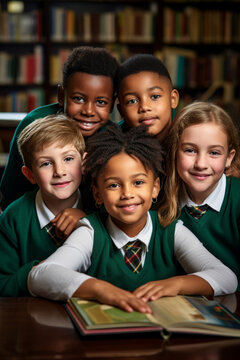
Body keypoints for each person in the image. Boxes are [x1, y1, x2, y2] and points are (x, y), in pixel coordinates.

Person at [28, 124, 237, 313]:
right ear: (98, 194)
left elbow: (227, 277)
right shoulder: (90, 231)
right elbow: (41, 275)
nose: (127, 193)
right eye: (113, 185)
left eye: (138, 182)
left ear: (155, 188)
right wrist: (100, 289)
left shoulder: (171, 230)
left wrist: (176, 284)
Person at [0, 46, 119, 210]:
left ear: (112, 105)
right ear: (62, 95)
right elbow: (12, 192)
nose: (89, 111)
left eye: (101, 102)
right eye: (78, 98)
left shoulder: (112, 136)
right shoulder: (34, 125)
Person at [0, 114, 86, 296]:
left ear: (84, 164)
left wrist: (89, 221)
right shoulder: (13, 218)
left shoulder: (101, 207)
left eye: (68, 159)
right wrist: (40, 271)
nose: (60, 171)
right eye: (46, 163)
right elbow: (3, 285)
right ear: (30, 175)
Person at [158, 101, 240, 289]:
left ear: (229, 157)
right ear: (175, 152)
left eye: (214, 152)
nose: (201, 163)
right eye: (190, 150)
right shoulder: (158, 198)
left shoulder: (236, 198)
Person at [116, 53, 179, 144]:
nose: (144, 107)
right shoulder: (112, 145)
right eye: (132, 101)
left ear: (173, 99)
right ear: (121, 110)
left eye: (155, 96)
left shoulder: (188, 136)